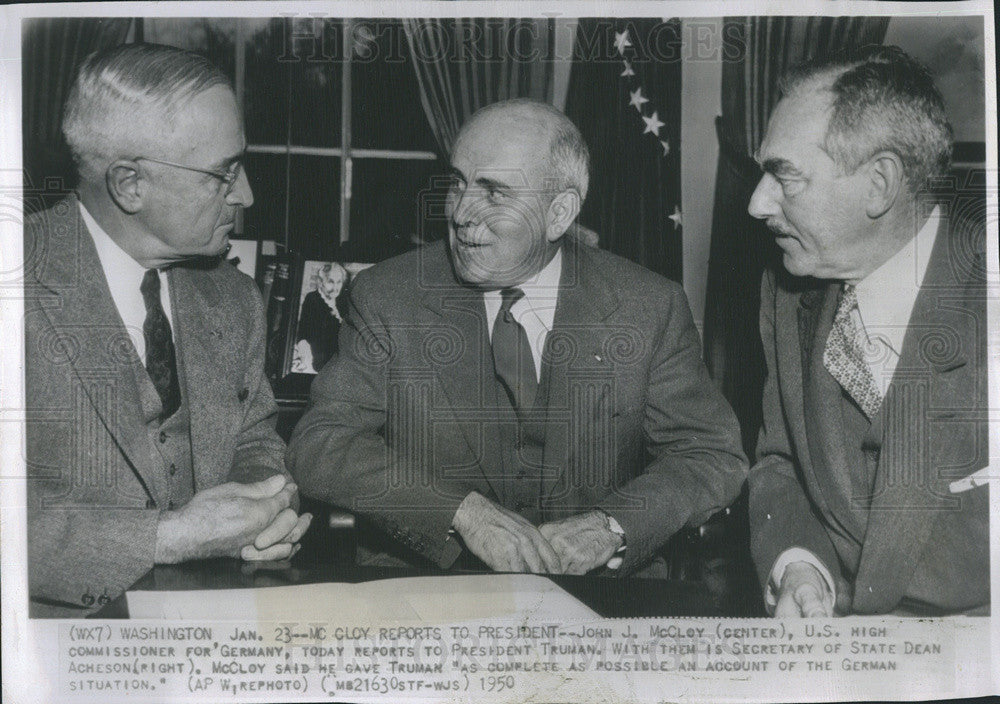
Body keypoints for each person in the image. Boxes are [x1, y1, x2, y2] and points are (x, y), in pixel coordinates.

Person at [289, 99, 746, 576]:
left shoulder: (647, 307)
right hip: (432, 589)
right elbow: (320, 443)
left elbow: (709, 453)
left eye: (494, 193)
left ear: (559, 213)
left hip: (597, 597)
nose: (461, 213)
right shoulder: (388, 296)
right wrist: (461, 513)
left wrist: (613, 525)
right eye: (458, 183)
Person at [24, 43, 311, 617]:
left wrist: (262, 505)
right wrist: (169, 537)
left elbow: (256, 439)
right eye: (222, 173)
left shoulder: (232, 298)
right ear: (129, 185)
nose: (247, 194)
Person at [747, 45, 988, 616]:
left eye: (785, 177)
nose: (757, 204)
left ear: (879, 184)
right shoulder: (788, 290)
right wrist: (800, 563)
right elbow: (782, 462)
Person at [293, 262, 348, 373]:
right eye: (331, 282)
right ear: (320, 282)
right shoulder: (313, 300)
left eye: (339, 282)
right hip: (322, 363)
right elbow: (304, 334)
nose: (335, 288)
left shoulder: (342, 301)